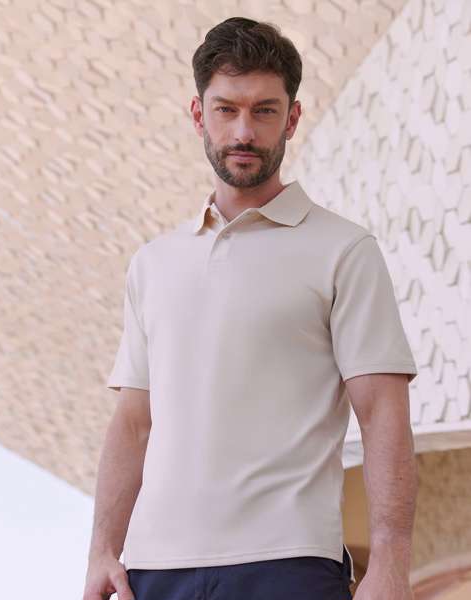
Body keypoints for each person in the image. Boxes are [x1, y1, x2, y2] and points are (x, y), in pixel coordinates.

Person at [83, 17, 419, 600]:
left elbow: (383, 414)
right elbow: (133, 424)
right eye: (227, 109)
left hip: (287, 563)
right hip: (155, 569)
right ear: (199, 115)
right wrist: (102, 548)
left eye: (264, 111)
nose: (244, 131)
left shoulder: (344, 250)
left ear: (292, 118)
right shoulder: (153, 264)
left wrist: (390, 566)